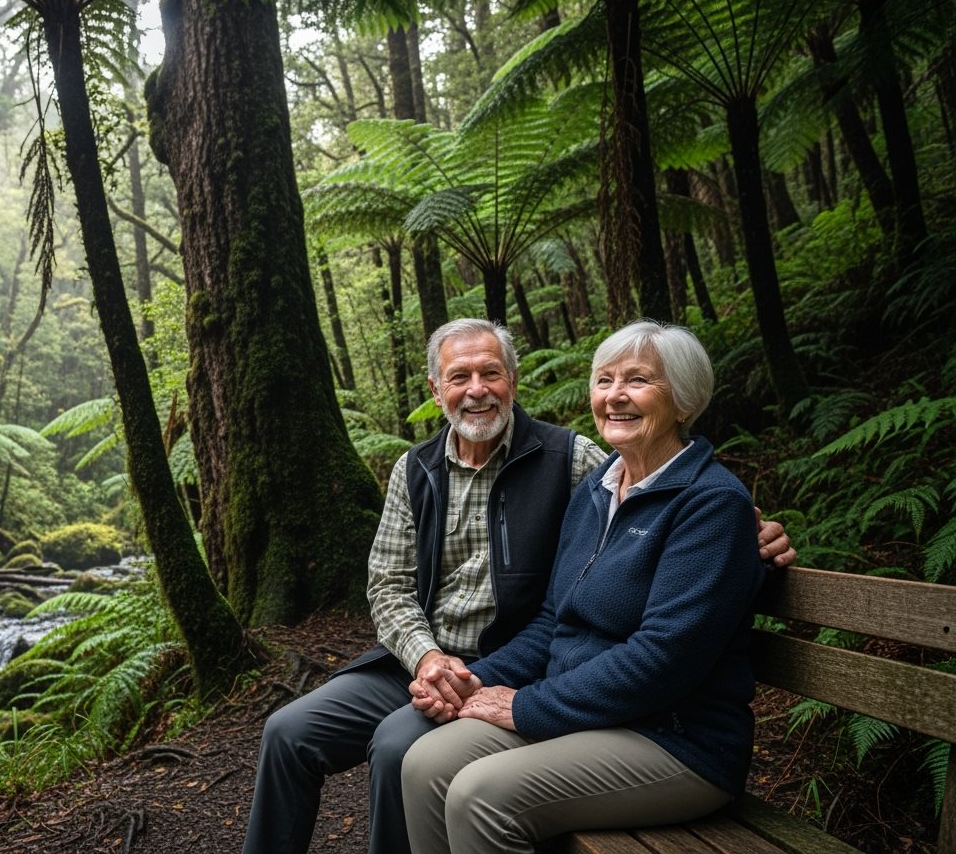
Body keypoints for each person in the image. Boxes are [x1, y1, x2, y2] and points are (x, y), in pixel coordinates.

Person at [240, 318, 793, 854]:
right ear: (437, 391)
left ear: (513, 381)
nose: (476, 390)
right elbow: (390, 586)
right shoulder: (433, 471)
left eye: (638, 381)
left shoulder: (575, 463)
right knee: (293, 733)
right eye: (605, 381)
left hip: (600, 701)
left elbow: (680, 521)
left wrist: (751, 537)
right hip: (439, 663)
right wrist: (434, 664)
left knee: (411, 754)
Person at [400, 320, 769, 854]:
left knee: (480, 795)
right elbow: (554, 621)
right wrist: (470, 679)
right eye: (604, 380)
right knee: (425, 764)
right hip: (586, 716)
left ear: (685, 401)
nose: (615, 396)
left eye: (639, 381)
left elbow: (662, 659)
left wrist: (526, 706)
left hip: (675, 739)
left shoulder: (710, 504)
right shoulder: (597, 490)